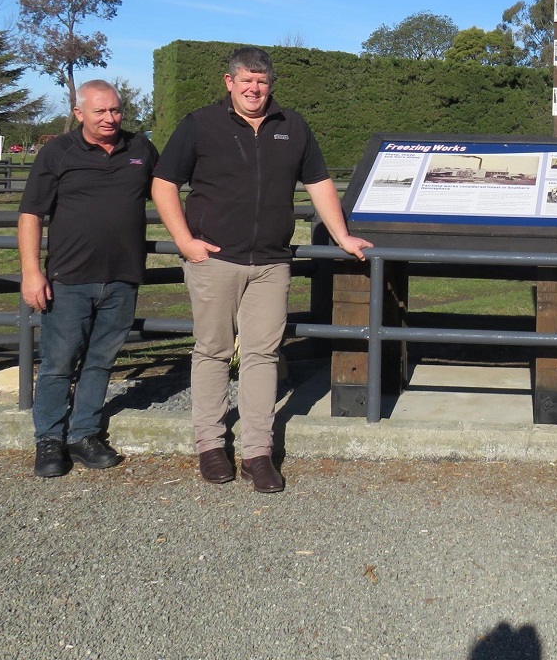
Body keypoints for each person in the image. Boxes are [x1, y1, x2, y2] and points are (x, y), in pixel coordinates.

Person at [151, 46, 371, 493]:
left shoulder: (292, 126)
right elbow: (164, 182)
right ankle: (211, 446)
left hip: (271, 263)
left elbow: (319, 183)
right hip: (214, 260)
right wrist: (184, 241)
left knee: (262, 355)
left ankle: (257, 452)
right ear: (229, 83)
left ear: (271, 85)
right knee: (212, 351)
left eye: (262, 82)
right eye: (245, 81)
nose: (254, 89)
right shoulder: (200, 124)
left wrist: (343, 236)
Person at [19, 79, 158, 478]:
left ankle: (84, 435)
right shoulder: (57, 152)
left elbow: (164, 192)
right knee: (59, 363)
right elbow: (31, 214)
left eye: (115, 110)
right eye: (100, 111)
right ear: (79, 113)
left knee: (100, 362)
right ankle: (48, 439)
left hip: (122, 278)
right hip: (69, 278)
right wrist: (32, 272)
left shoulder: (141, 150)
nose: (110, 118)